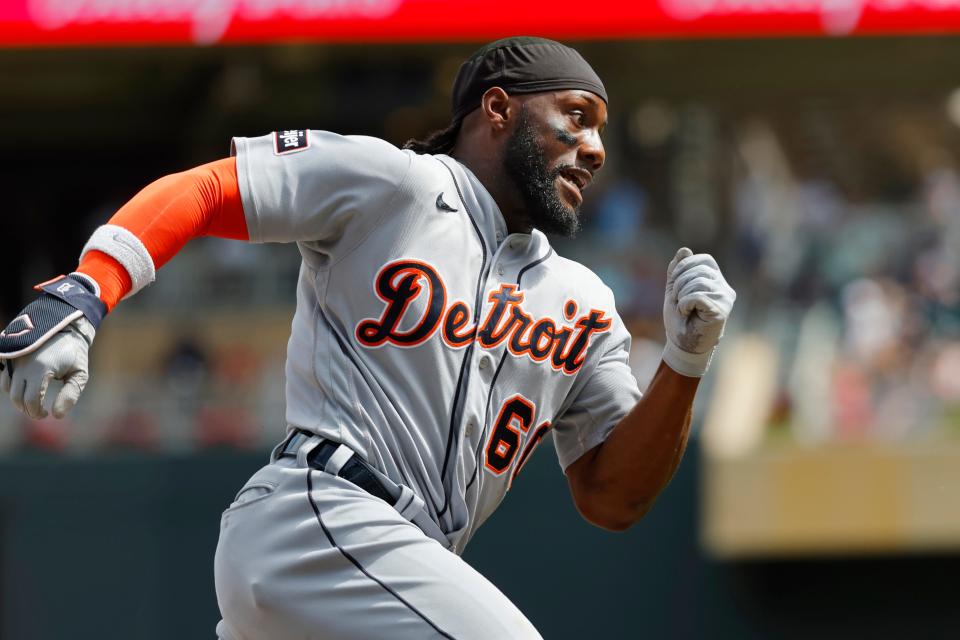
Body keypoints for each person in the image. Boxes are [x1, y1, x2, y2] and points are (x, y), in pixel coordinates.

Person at [0, 37, 735, 639]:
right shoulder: (397, 184)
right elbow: (208, 190)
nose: (597, 147)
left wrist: (685, 359)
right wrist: (88, 291)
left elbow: (614, 499)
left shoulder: (586, 304)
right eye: (576, 116)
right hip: (318, 519)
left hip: (386, 584)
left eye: (601, 127)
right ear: (500, 109)